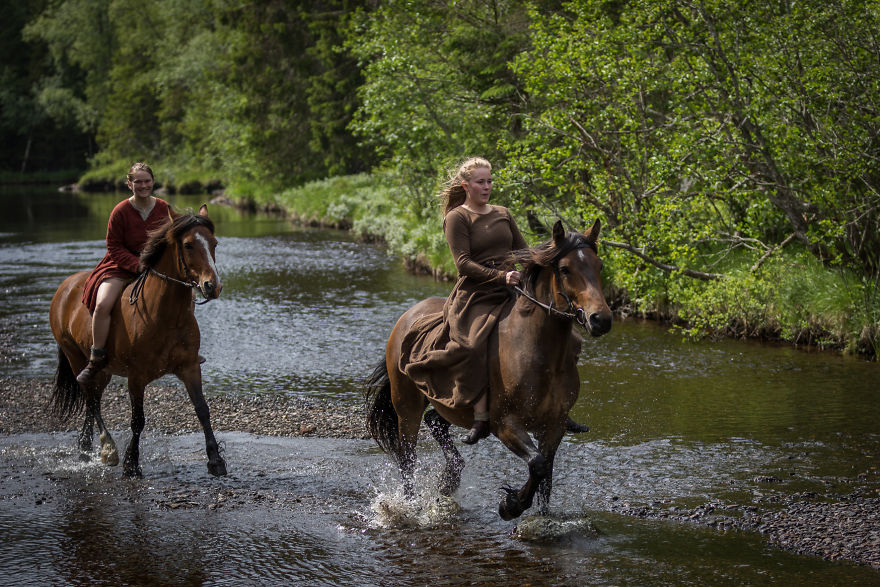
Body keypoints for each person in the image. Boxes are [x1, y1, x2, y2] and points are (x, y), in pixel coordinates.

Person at [399, 157, 527, 444]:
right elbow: (463, 264)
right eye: (480, 182)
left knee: (557, 328)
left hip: (512, 287)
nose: (487, 186)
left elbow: (523, 251)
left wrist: (543, 264)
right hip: (476, 293)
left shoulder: (504, 213)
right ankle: (481, 416)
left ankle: (555, 404)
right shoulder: (457, 217)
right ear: (465, 185)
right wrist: (501, 277)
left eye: (490, 181)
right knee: (471, 344)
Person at [76, 162, 171, 385]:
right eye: (138, 181)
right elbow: (114, 247)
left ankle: (186, 348)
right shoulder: (120, 211)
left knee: (186, 296)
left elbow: (170, 241)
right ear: (130, 184)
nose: (143, 185)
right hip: (121, 265)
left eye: (147, 181)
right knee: (102, 304)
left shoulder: (163, 208)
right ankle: (96, 356)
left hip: (156, 267)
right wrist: (137, 265)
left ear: (153, 182)